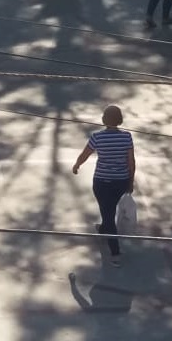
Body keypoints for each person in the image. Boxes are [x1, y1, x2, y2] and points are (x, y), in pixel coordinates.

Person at [72, 105, 136, 267]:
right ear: (120, 119)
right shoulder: (127, 137)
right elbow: (131, 161)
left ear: (104, 120)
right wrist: (131, 180)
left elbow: (85, 154)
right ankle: (103, 229)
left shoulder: (97, 137)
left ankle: (115, 254)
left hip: (102, 181)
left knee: (107, 213)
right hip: (121, 181)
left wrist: (77, 165)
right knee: (109, 211)